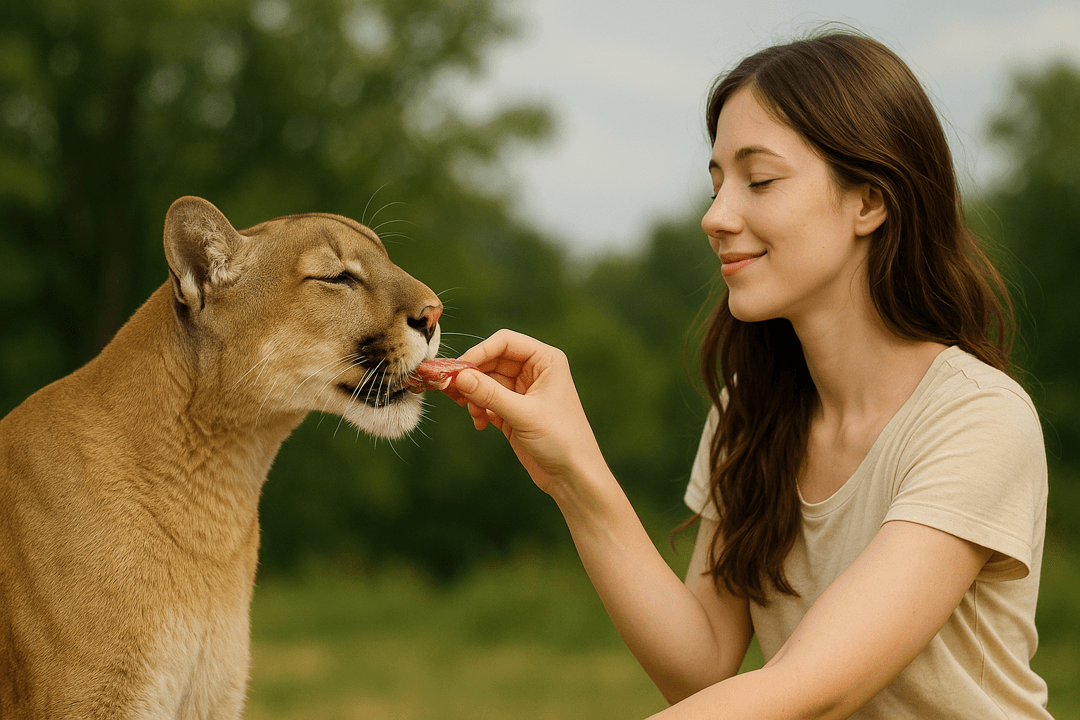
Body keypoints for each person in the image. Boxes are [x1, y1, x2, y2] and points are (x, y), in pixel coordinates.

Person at [443, 31, 1050, 719]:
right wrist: (571, 471)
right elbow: (702, 669)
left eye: (758, 180)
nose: (715, 216)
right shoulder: (751, 411)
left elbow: (813, 688)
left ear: (869, 202)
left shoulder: (976, 420)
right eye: (717, 183)